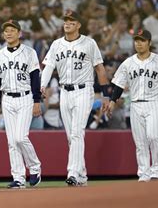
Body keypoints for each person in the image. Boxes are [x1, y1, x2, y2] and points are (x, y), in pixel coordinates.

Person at [40, 10, 110, 186]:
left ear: (79, 24)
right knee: (71, 136)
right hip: (64, 92)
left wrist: (105, 95)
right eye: (66, 20)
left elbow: (100, 69)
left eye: (72, 20)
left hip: (83, 90)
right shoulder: (56, 44)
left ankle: (72, 172)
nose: (68, 23)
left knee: (77, 132)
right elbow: (48, 67)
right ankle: (82, 175)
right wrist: (42, 85)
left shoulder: (89, 43)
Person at [105, 29, 158, 182]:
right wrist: (112, 103)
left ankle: (157, 171)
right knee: (140, 142)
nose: (139, 43)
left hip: (155, 103)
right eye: (137, 40)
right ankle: (143, 174)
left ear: (149, 43)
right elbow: (118, 85)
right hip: (136, 105)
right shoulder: (128, 63)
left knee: (153, 136)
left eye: (142, 40)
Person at [0, 20, 41, 188]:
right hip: (7, 99)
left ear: (19, 33)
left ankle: (34, 168)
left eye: (12, 30)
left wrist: (36, 100)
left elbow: (35, 78)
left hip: (25, 97)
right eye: (6, 31)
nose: (9, 33)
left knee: (20, 137)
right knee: (12, 141)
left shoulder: (29, 53)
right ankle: (18, 177)